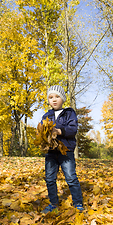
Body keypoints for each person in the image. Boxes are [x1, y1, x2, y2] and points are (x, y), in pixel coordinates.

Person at [40, 85, 84, 213]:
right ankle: (53, 203)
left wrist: (59, 131)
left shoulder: (69, 112)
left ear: (63, 99)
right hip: (51, 152)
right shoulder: (46, 115)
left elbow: (73, 129)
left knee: (70, 177)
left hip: (66, 150)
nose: (54, 100)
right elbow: (43, 131)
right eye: (51, 97)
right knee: (49, 178)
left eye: (57, 97)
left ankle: (78, 203)